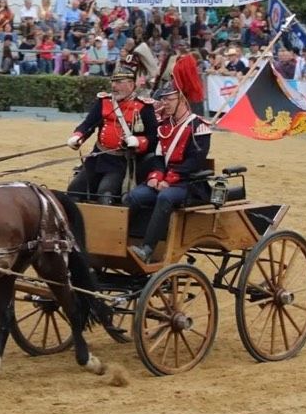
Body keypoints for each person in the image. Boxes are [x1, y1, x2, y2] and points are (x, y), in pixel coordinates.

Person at [127, 80, 212, 263]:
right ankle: (124, 240)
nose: (164, 103)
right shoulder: (164, 126)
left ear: (181, 99)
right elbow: (159, 158)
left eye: (169, 99)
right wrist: (156, 176)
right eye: (163, 99)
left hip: (187, 183)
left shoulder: (199, 127)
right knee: (134, 196)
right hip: (165, 179)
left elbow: (195, 162)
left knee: (165, 197)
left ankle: (148, 248)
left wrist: (169, 180)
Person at [66, 57, 159, 205]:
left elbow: (154, 136)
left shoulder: (143, 107)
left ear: (131, 84)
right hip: (97, 157)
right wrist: (78, 136)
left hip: (121, 162)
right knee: (74, 190)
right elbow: (88, 124)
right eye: (113, 82)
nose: (114, 86)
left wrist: (138, 142)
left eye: (118, 82)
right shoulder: (104, 101)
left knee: (106, 194)